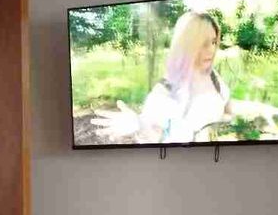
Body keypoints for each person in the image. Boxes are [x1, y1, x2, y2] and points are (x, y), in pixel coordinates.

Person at [92, 11, 232, 144]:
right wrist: (138, 125)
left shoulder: (213, 76)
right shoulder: (166, 91)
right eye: (204, 44)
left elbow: (227, 110)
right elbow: (153, 134)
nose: (212, 50)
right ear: (187, 45)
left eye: (213, 42)